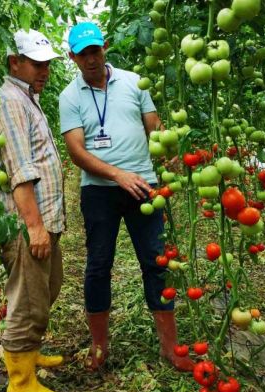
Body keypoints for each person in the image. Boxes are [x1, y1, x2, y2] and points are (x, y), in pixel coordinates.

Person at [58, 22, 194, 372]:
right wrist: (117, 174)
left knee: (156, 262)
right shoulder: (69, 97)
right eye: (83, 54)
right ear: (72, 57)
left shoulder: (134, 82)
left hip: (145, 186)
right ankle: (99, 347)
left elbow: (154, 126)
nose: (91, 59)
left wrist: (170, 152)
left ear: (104, 47)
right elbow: (76, 151)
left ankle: (170, 346)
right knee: (98, 265)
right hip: (98, 192)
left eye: (95, 50)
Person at [0, 28, 67, 392]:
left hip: (41, 217)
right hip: (25, 222)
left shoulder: (26, 98)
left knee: (46, 288)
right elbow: (20, 169)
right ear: (14, 63)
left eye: (47, 64)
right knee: (29, 300)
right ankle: (20, 381)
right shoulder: (10, 102)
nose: (44, 70)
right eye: (36, 64)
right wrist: (34, 226)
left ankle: (29, 354)